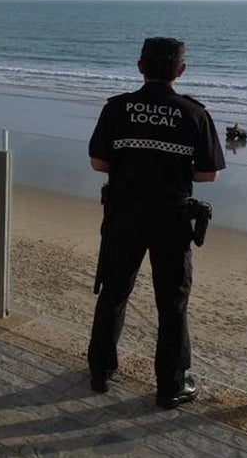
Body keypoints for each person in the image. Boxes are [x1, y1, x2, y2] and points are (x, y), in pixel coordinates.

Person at [86, 37, 226, 408]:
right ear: (181, 71)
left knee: (115, 291)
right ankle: (171, 384)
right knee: (172, 302)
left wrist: (133, 164)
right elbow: (209, 173)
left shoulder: (117, 108)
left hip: (123, 214)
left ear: (140, 67)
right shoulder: (194, 113)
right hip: (171, 218)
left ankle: (100, 370)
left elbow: (98, 163)